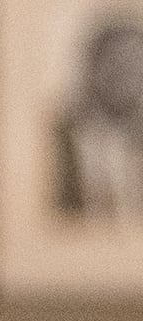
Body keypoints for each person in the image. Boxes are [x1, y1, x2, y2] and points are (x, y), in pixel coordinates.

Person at [56, 11, 143, 218]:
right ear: (93, 70)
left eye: (134, 64)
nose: (125, 76)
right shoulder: (67, 137)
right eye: (115, 63)